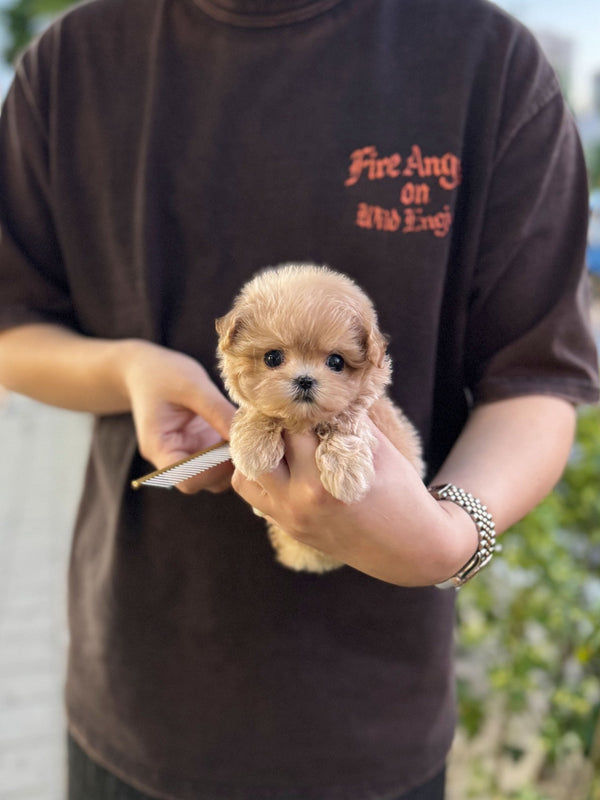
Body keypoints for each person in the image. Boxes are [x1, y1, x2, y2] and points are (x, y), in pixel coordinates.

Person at [0, 0, 598, 798]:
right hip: (137, 687)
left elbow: (536, 378)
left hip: (375, 719)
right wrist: (128, 369)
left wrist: (452, 537)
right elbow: (13, 327)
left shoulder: (488, 63)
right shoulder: (72, 61)